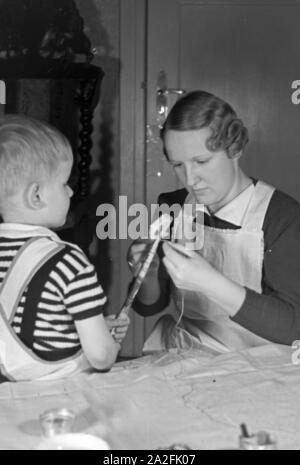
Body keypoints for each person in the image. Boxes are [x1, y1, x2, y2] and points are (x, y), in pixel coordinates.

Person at [128, 90, 300, 353]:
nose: (190, 178)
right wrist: (148, 275)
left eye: (202, 161)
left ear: (235, 148)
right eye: (178, 165)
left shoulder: (281, 217)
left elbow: (293, 327)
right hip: (188, 353)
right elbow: (149, 305)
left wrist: (209, 281)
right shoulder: (174, 206)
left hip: (262, 365)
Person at [0, 115, 129, 381]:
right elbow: (100, 357)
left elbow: (30, 328)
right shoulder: (68, 260)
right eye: (63, 183)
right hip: (65, 392)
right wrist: (109, 345)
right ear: (36, 196)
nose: (70, 193)